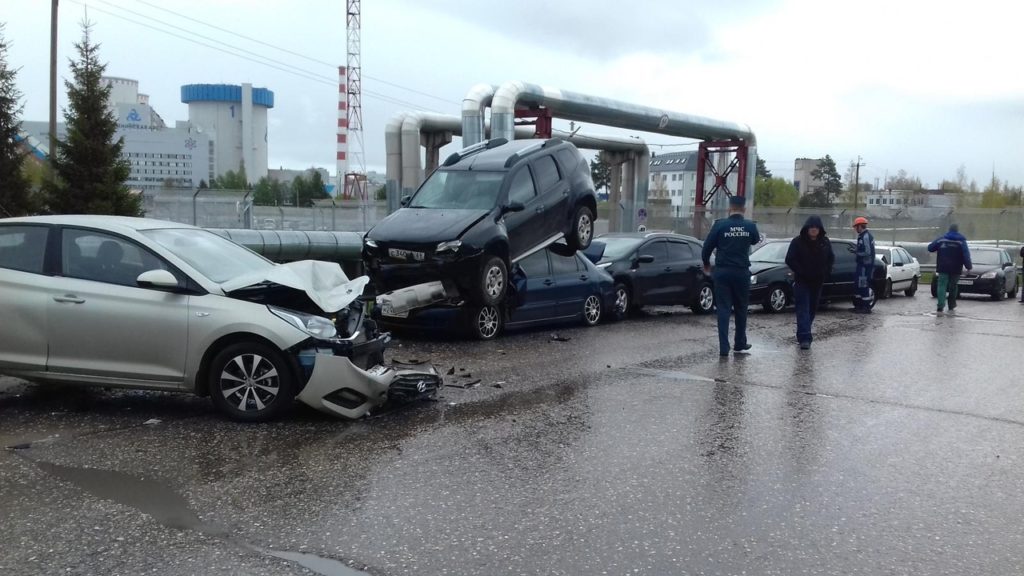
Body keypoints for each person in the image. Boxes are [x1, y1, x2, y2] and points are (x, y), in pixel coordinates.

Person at [701, 195, 760, 357]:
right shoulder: (750, 226)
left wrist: (706, 263)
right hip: (741, 272)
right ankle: (740, 342)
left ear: (729, 208)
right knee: (741, 308)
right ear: (744, 209)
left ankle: (723, 347)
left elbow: (706, 248)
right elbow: (755, 240)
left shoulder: (720, 226)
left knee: (723, 309)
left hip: (722, 272)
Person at [785, 215, 835, 350]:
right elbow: (789, 259)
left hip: (817, 281)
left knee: (812, 309)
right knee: (803, 309)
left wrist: (826, 272)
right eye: (811, 227)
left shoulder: (825, 242)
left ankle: (802, 332)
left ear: (820, 229)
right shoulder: (797, 242)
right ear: (807, 228)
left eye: (816, 227)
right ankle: (805, 338)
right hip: (802, 281)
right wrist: (800, 271)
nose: (813, 230)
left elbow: (831, 258)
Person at [927, 224, 972, 312]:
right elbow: (966, 255)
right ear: (957, 230)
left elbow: (930, 248)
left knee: (942, 285)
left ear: (949, 229)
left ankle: (940, 305)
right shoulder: (961, 241)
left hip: (943, 267)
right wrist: (968, 267)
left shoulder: (941, 239)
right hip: (956, 268)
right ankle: (951, 305)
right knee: (953, 286)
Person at [852, 216, 875, 313]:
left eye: (856, 227)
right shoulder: (862, 235)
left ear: (860, 226)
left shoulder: (866, 236)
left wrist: (857, 253)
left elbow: (867, 252)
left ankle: (866, 307)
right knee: (858, 285)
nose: (855, 229)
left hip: (865, 265)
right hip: (862, 264)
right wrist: (856, 250)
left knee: (863, 285)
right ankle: (859, 306)